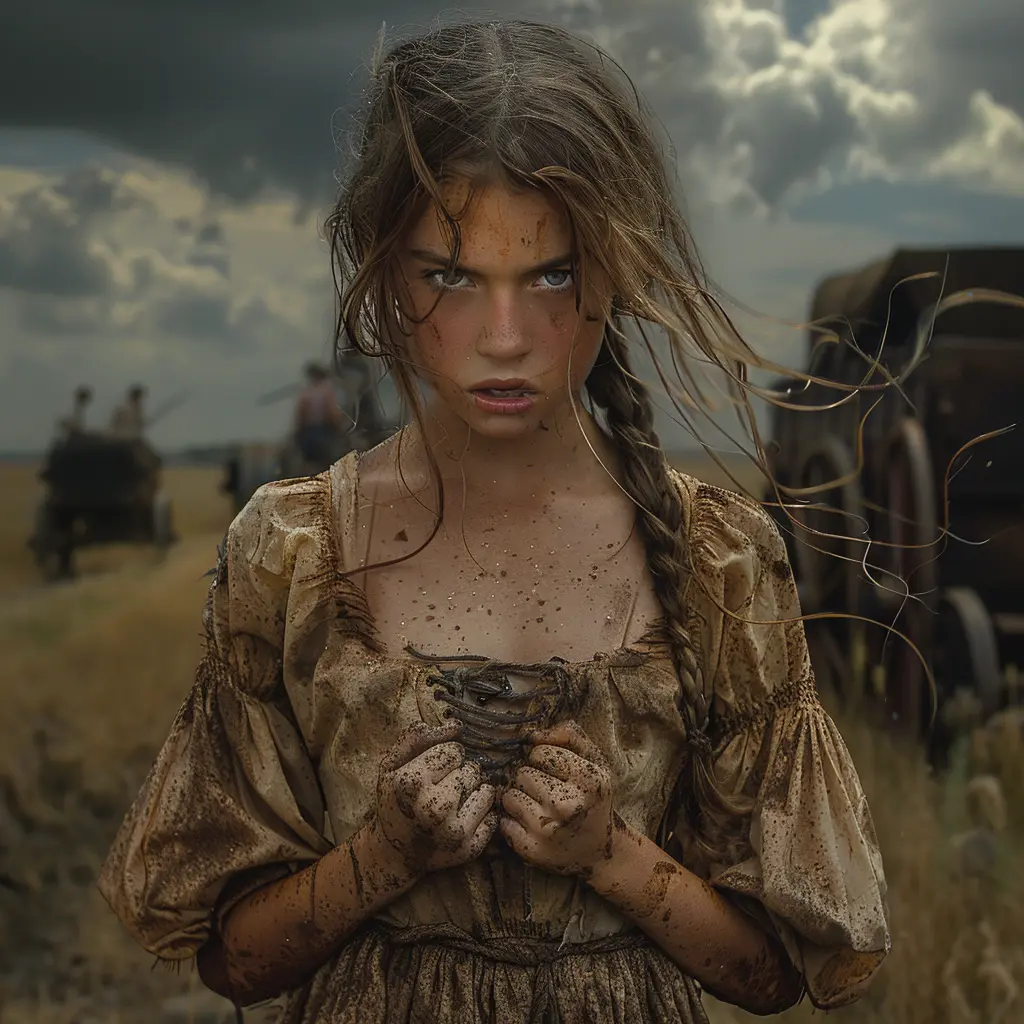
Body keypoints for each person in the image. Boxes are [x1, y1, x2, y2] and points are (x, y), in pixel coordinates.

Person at [99, 19, 890, 1023]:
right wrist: (380, 860)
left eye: (551, 274)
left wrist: (611, 855)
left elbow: (770, 975)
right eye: (451, 275)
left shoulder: (718, 561)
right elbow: (231, 962)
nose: (504, 340)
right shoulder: (294, 550)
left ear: (613, 271)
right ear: (387, 276)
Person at [294, 361, 347, 465]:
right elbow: (332, 413)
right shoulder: (327, 391)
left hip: (308, 433)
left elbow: (300, 415)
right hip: (323, 432)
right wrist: (340, 428)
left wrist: (298, 432)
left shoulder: (305, 392)